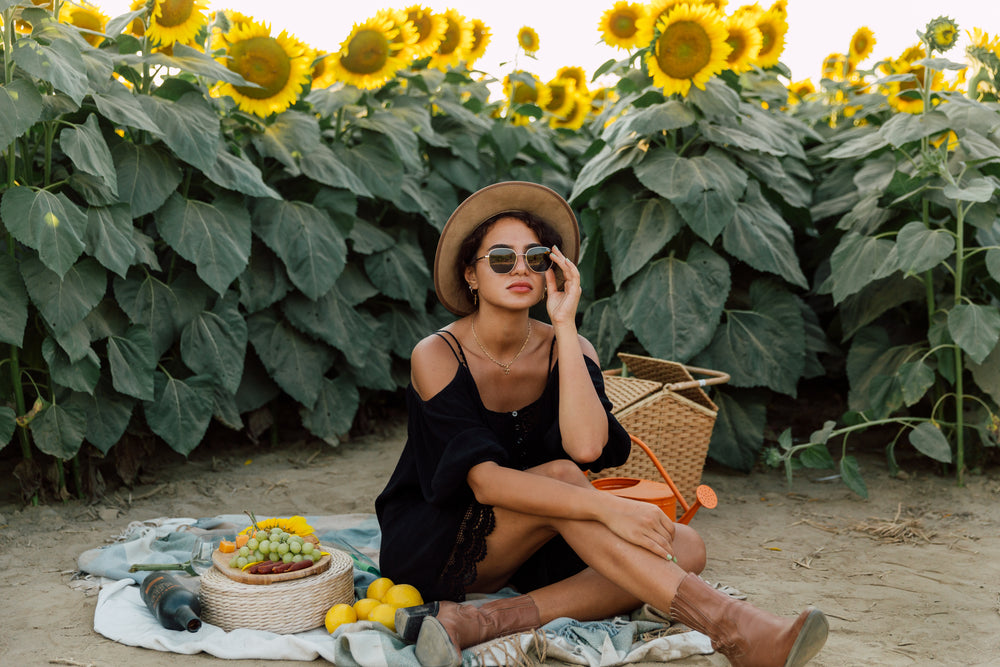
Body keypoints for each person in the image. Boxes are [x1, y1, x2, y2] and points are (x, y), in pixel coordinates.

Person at [375, 181, 828, 667]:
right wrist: (605, 510)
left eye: (537, 258)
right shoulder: (438, 353)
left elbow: (588, 447)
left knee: (685, 545)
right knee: (565, 477)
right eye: (502, 258)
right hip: (440, 538)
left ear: (556, 270)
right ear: (471, 274)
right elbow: (484, 482)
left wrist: (565, 326)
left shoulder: (570, 347)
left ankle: (486, 620)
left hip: (541, 534)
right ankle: (733, 626)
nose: (521, 269)